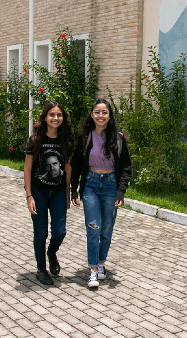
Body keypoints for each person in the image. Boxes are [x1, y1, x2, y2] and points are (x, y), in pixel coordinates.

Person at [71, 98, 132, 288]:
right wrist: (74, 188)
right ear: (92, 114)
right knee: (93, 227)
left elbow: (126, 167)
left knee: (106, 230)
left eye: (104, 112)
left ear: (109, 115)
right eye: (97, 112)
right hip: (90, 184)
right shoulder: (85, 138)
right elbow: (76, 164)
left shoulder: (118, 138)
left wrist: (121, 191)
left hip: (110, 186)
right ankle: (93, 271)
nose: (100, 116)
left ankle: (101, 262)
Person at [24, 101, 74, 285]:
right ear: (45, 117)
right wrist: (29, 196)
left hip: (59, 192)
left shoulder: (66, 140)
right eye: (52, 115)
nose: (55, 118)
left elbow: (67, 167)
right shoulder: (36, 140)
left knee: (60, 232)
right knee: (40, 232)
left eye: (59, 115)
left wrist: (68, 195)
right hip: (39, 192)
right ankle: (41, 269)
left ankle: (51, 252)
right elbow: (27, 168)